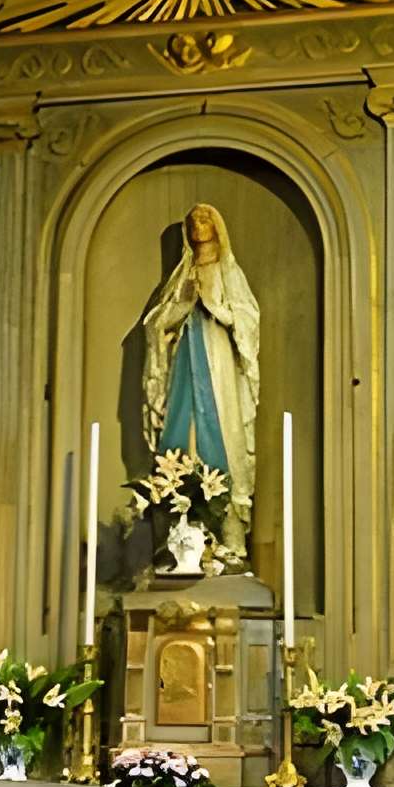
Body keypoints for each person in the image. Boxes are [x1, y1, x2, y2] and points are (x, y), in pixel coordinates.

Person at [141, 202, 261, 555]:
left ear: (217, 227)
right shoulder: (183, 274)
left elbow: (248, 320)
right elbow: (157, 322)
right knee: (183, 441)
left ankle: (228, 539)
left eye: (206, 218)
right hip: (185, 368)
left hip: (219, 368)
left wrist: (215, 308)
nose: (199, 224)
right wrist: (184, 303)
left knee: (223, 437)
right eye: (194, 220)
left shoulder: (229, 273)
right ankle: (179, 538)